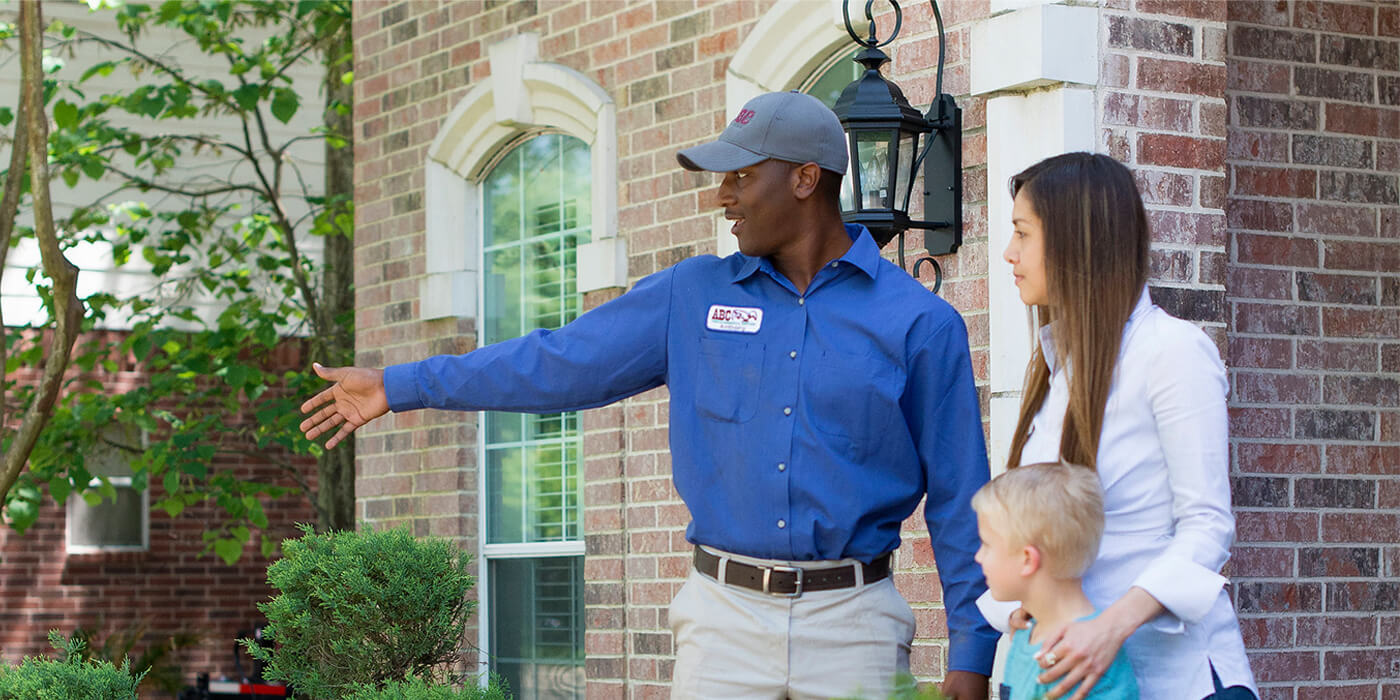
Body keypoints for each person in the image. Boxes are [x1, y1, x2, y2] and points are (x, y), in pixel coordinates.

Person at [299, 91, 998, 699]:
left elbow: (961, 495)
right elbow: (558, 363)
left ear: (806, 179)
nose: (723, 196)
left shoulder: (918, 322)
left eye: (741, 177)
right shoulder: (690, 297)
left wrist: (972, 649)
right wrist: (400, 384)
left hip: (856, 625)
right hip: (723, 622)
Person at [982, 152, 1257, 700]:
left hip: (1174, 678)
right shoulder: (1056, 366)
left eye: (1022, 233)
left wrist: (1110, 627)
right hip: (1069, 678)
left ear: (1075, 241)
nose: (1009, 254)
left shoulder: (1172, 352)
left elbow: (1207, 525)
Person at [970, 461, 1138, 700]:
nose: (978, 556)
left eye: (986, 544)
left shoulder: (1087, 658)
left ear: (1027, 559)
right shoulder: (1026, 634)